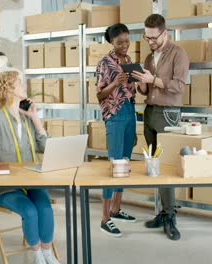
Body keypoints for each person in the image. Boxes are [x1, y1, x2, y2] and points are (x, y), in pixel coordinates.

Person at [0, 70, 60, 264]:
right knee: (30, 211)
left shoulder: (27, 120)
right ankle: (37, 255)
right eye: (20, 83)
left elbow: (46, 148)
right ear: (8, 88)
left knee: (45, 208)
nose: (24, 86)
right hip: (5, 186)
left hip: (30, 182)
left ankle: (48, 253)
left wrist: (35, 119)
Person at [132, 14, 190, 241]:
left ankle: (170, 216)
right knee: (153, 165)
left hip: (169, 114)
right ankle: (163, 213)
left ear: (165, 33)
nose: (150, 42)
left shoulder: (178, 54)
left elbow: (178, 87)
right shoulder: (148, 57)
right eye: (147, 38)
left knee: (165, 166)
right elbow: (145, 91)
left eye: (153, 38)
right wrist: (140, 82)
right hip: (150, 112)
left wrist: (152, 79)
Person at [95, 23, 137, 237]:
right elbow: (100, 95)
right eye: (120, 42)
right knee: (114, 165)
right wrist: (115, 84)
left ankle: (116, 209)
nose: (124, 45)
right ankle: (105, 218)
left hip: (130, 113)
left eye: (127, 41)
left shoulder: (129, 61)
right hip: (114, 115)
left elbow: (132, 92)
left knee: (125, 163)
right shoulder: (105, 63)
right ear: (111, 42)